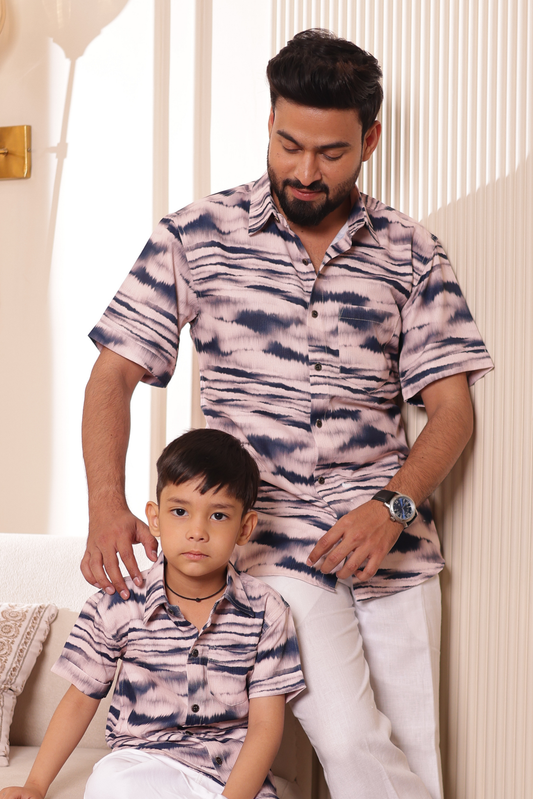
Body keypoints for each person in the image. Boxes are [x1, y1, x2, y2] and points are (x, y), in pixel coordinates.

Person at [80, 29, 493, 799]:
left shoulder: (412, 251)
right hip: (273, 546)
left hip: (393, 548)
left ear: (369, 139)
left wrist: (392, 507)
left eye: (330, 152)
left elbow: (451, 411)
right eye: (287, 143)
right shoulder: (194, 236)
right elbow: (113, 374)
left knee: (414, 755)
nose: (304, 171)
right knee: (349, 741)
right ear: (267, 125)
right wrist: (106, 503)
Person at [0, 429, 305, 799]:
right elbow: (80, 700)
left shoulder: (267, 610)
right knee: (111, 783)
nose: (197, 532)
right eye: (180, 512)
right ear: (155, 518)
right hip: (142, 764)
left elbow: (265, 725)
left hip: (229, 775)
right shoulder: (117, 601)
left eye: (219, 516)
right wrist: (35, 785)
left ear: (245, 527)